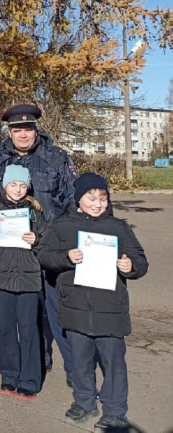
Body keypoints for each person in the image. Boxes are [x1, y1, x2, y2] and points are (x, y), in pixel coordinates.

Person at [37, 173, 148, 430]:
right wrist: (66, 257)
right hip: (75, 306)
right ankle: (84, 401)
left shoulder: (118, 228)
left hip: (110, 308)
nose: (98, 204)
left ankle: (115, 410)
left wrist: (131, 266)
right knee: (80, 359)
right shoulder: (61, 225)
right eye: (91, 198)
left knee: (113, 360)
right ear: (78, 198)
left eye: (103, 198)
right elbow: (43, 254)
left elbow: (140, 260)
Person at [0, 104, 78, 381]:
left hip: (51, 247)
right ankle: (39, 360)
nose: (23, 134)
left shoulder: (56, 158)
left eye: (28, 128)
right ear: (9, 132)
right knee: (27, 312)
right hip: (15, 252)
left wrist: (66, 242)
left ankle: (75, 370)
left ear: (36, 129)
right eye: (17, 129)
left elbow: (72, 201)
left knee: (60, 310)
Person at [0, 164, 45, 400]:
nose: (18, 189)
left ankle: (29, 379)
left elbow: (47, 241)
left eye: (23, 185)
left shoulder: (35, 212)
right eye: (13, 184)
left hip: (28, 276)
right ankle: (9, 375)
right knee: (6, 329)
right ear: (5, 185)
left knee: (29, 328)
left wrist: (37, 239)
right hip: (1, 275)